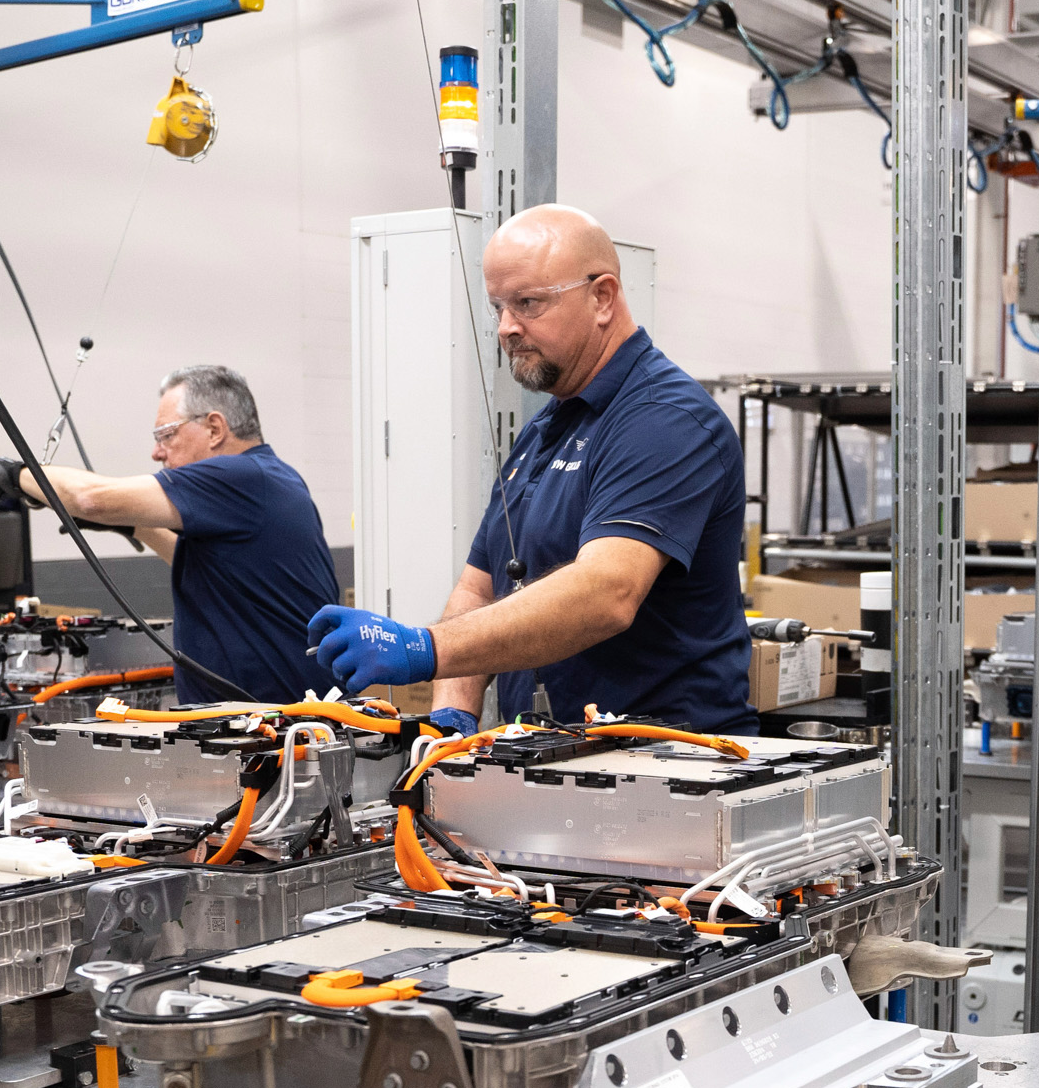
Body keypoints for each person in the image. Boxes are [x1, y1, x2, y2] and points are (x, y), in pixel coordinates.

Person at [304, 204, 753, 734]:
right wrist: (452, 716)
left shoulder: (665, 420)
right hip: (553, 764)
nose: (506, 328)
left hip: (669, 768)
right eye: (498, 307)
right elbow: (478, 589)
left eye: (528, 304)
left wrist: (423, 649)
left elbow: (608, 591)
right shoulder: (546, 430)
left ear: (602, 297)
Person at [0, 364, 338, 704]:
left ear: (215, 428)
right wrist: (132, 525)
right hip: (263, 723)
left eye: (167, 435)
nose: (157, 452)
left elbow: (90, 499)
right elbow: (212, 567)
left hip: (273, 728)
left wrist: (18, 475)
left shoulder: (240, 475)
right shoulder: (270, 478)